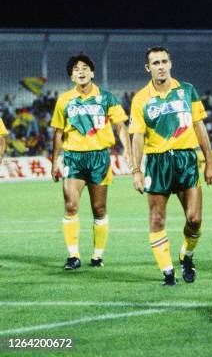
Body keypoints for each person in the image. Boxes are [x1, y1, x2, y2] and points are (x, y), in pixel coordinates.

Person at [129, 46, 212, 286]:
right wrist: (136, 170)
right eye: (155, 63)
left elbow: (199, 126)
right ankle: (167, 271)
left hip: (186, 160)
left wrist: (209, 160)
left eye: (164, 61)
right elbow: (137, 136)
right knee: (157, 219)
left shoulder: (187, 91)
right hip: (157, 162)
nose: (160, 66)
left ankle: (186, 256)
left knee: (195, 219)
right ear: (148, 68)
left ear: (171, 64)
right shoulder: (140, 99)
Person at [50, 53, 132, 270]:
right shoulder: (64, 100)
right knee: (71, 205)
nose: (81, 71)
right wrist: (54, 160)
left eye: (85, 67)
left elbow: (120, 126)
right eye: (76, 69)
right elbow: (58, 132)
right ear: (71, 77)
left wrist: (128, 150)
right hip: (73, 157)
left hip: (99, 157)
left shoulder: (107, 97)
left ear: (92, 73)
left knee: (99, 207)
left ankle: (97, 255)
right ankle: (73, 255)